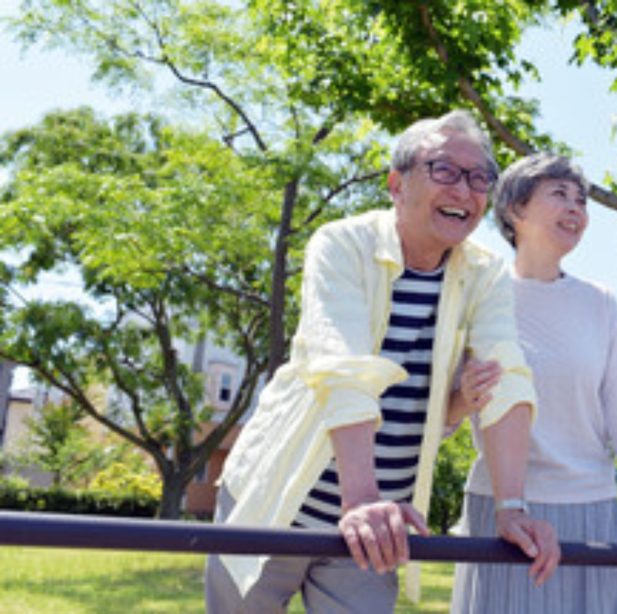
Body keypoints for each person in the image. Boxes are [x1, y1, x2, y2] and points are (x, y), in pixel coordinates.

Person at [204, 111, 560, 613]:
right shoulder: (342, 244)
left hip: (377, 527)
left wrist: (512, 507)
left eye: (480, 177)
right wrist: (361, 499)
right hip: (281, 498)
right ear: (396, 183)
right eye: (444, 170)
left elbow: (508, 378)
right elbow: (344, 368)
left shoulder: (485, 273)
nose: (465, 190)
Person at [448, 153, 617, 614]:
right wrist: (465, 398)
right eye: (559, 194)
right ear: (515, 210)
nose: (576, 209)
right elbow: (444, 414)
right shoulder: (478, 293)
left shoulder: (598, 303)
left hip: (591, 510)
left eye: (581, 200)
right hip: (502, 511)